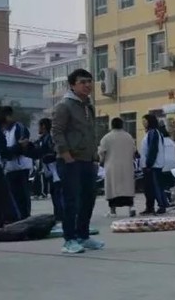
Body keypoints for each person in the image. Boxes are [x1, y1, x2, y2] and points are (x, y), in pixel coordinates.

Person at [52, 68, 103, 254]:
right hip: (71, 161)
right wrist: (66, 155)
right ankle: (69, 240)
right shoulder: (64, 106)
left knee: (88, 199)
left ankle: (83, 236)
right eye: (83, 82)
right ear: (72, 85)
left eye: (89, 81)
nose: (87, 85)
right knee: (71, 200)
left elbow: (90, 133)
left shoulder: (88, 106)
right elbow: (56, 131)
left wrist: (95, 156)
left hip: (88, 160)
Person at [98, 117, 138, 218]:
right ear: (122, 125)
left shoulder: (106, 138)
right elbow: (134, 151)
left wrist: (101, 161)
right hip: (127, 167)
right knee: (127, 187)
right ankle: (131, 208)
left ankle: (113, 211)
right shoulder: (128, 137)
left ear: (111, 125)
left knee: (112, 189)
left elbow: (101, 152)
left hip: (112, 167)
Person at [140, 114, 168, 215]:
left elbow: (153, 149)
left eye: (145, 121)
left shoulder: (153, 133)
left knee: (156, 186)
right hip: (150, 165)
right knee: (149, 188)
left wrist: (149, 163)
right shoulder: (151, 133)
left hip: (153, 165)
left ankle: (162, 205)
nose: (143, 123)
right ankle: (150, 207)